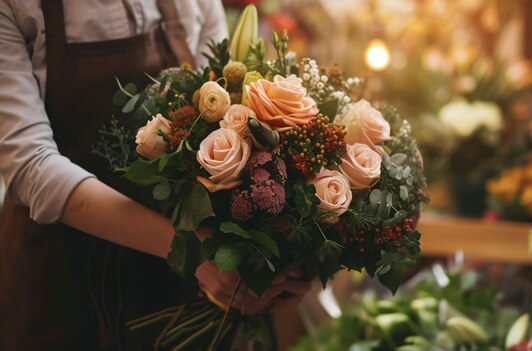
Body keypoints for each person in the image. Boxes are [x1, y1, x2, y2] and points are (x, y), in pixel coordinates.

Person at [0, 1, 311, 350]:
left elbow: (229, 110)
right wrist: (192, 251)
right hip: (61, 279)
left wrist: (277, 266)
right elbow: (30, 164)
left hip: (178, 289)